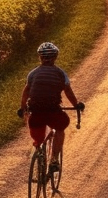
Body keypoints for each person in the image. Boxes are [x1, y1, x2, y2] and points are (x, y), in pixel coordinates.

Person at [17, 42, 84, 173]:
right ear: (55, 57)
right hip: (53, 111)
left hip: (36, 112)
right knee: (60, 127)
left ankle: (39, 152)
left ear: (40, 57)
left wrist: (23, 108)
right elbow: (68, 92)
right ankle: (54, 159)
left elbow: (26, 92)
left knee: (36, 131)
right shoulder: (60, 73)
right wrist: (76, 105)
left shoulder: (32, 74)